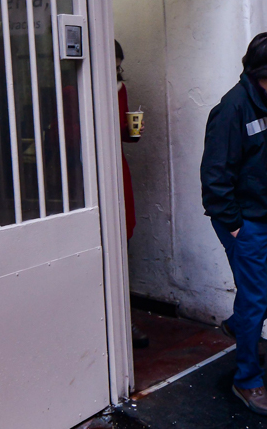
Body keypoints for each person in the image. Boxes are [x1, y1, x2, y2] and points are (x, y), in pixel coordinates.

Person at [200, 32, 267, 416]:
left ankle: (240, 324)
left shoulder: (266, 102)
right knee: (255, 297)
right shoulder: (232, 109)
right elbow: (214, 175)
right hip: (247, 224)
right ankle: (247, 379)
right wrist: (234, 225)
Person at [116, 40, 148, 349]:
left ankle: (125, 317)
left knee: (123, 233)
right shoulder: (73, 87)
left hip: (114, 164)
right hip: (82, 169)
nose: (115, 71)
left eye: (118, 66)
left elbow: (124, 134)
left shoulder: (118, 87)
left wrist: (132, 130)